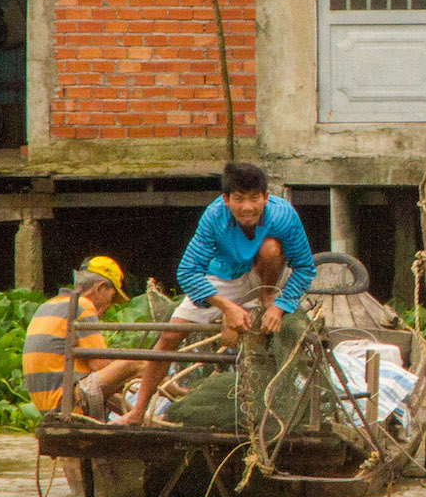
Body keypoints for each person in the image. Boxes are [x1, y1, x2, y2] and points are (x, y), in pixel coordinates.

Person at [114, 161, 317, 425]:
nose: (247, 207)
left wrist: (279, 305)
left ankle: (265, 300)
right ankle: (138, 411)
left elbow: (304, 267)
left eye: (254, 199)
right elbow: (187, 271)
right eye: (239, 199)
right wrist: (226, 307)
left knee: (271, 248)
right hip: (225, 276)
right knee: (170, 334)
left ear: (266, 198)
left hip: (267, 275)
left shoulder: (283, 215)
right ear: (226, 200)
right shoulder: (214, 216)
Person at [22, 257, 127, 417]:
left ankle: (137, 416)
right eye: (111, 298)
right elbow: (102, 365)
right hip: (66, 404)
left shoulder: (48, 305)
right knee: (136, 363)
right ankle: (143, 413)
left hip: (49, 405)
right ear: (99, 288)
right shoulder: (82, 305)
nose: (110, 306)